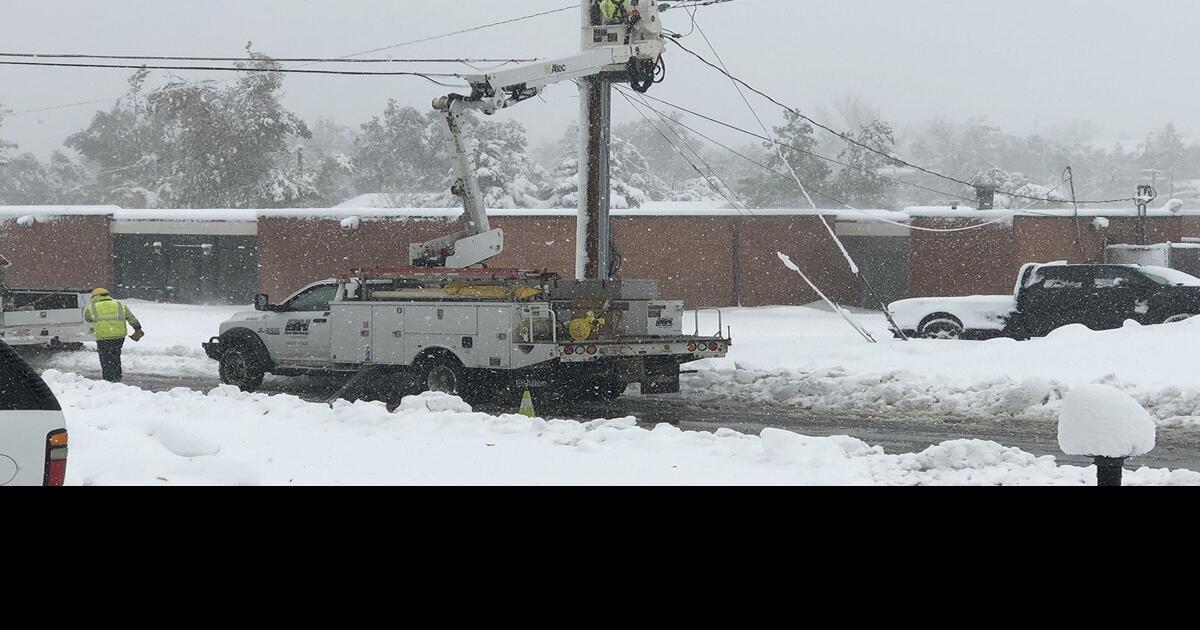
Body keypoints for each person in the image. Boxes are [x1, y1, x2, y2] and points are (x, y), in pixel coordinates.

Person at [83, 288, 143, 383]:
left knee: (105, 359)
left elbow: (88, 319)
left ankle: (108, 379)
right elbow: (131, 317)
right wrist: (137, 328)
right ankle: (117, 377)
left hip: (103, 337)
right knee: (116, 356)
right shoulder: (120, 305)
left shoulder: (92, 307)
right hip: (119, 337)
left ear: (94, 297)